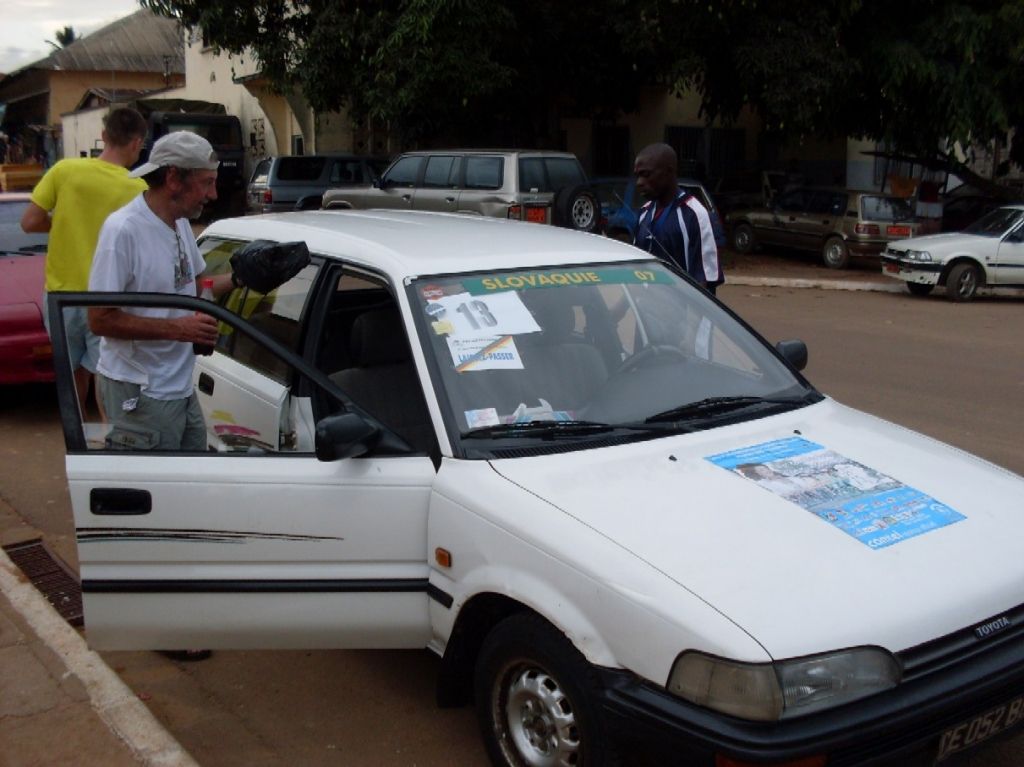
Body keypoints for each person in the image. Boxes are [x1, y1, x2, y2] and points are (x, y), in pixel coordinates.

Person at [88, 131, 234, 451]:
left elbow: (195, 287)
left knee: (190, 485)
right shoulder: (123, 230)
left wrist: (243, 275)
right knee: (153, 496)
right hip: (140, 392)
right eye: (206, 182)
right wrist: (180, 329)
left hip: (178, 385)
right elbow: (99, 319)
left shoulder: (179, 221)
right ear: (172, 178)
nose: (213, 194)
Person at [21, 107, 149, 413]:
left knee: (71, 376)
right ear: (137, 144)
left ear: (104, 136)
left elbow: (29, 222)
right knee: (106, 375)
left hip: (61, 296)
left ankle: (75, 443)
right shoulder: (140, 189)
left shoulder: (65, 171)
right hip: (106, 299)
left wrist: (63, 223)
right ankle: (107, 445)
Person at [633, 143, 723, 294]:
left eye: (646, 175)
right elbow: (636, 272)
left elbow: (705, 282)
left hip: (682, 314)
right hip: (648, 313)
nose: (639, 183)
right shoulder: (644, 213)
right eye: (637, 176)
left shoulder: (694, 214)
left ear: (669, 171)